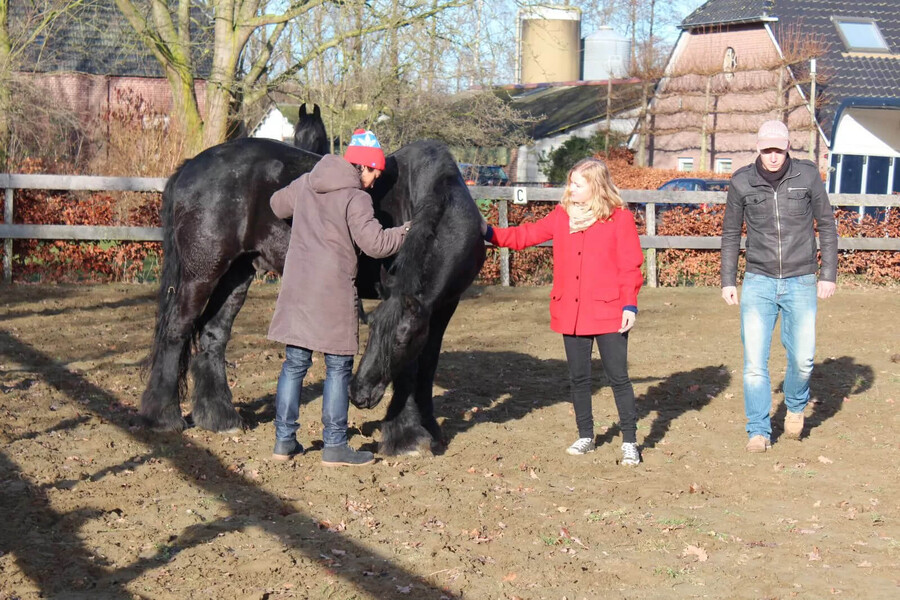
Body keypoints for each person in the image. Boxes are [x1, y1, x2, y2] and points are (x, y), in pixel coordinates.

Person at [482, 157, 645, 466]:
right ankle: (586, 435)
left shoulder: (619, 219)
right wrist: (489, 232)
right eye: (570, 182)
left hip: (610, 313)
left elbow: (630, 265)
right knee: (579, 378)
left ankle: (629, 441)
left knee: (618, 378)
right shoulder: (561, 217)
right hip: (571, 312)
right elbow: (525, 236)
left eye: (577, 184)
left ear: (596, 187)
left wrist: (629, 304)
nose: (570, 188)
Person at [268, 129, 410, 466]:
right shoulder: (355, 198)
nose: (375, 182)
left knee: (295, 364)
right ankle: (334, 445)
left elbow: (276, 204)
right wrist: (408, 230)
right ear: (363, 167)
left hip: (298, 288)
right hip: (332, 291)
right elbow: (376, 244)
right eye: (375, 173)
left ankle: (283, 441)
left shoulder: (307, 182)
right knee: (337, 366)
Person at [721, 120, 838, 453]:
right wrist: (728, 280)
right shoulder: (742, 181)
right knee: (755, 364)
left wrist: (828, 273)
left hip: (801, 279)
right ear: (758, 148)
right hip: (758, 280)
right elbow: (731, 233)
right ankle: (758, 431)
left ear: (788, 147)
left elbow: (827, 225)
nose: (773, 156)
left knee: (803, 360)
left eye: (779, 149)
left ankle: (797, 404)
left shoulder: (808, 175)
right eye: (767, 149)